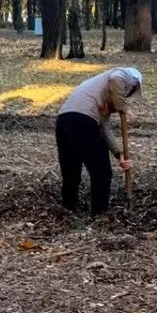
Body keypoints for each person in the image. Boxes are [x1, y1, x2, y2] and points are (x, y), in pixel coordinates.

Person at [56, 67, 143, 215]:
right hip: (82, 121)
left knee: (71, 173)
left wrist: (120, 155)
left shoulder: (99, 98)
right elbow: (116, 79)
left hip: (63, 122)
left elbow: (104, 129)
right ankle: (100, 214)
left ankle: (68, 212)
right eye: (127, 93)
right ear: (132, 85)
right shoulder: (124, 74)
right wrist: (124, 108)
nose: (126, 96)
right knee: (101, 172)